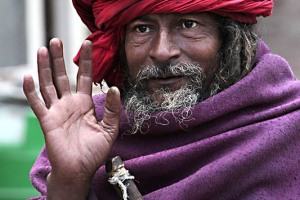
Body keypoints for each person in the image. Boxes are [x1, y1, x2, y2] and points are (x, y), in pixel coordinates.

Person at [23, 0, 300, 199]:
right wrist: (70, 183)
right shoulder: (92, 131)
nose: (162, 51)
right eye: (142, 29)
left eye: (188, 24)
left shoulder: (288, 128)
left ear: (229, 40)